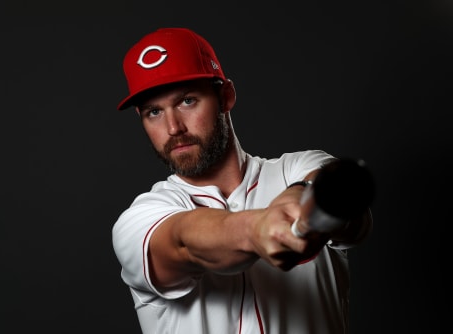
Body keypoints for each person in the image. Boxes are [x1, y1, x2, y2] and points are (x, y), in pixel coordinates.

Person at [112, 27, 373, 334]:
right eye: (154, 112)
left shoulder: (298, 167)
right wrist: (255, 230)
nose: (173, 128)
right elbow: (183, 241)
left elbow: (350, 214)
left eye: (187, 101)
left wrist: (304, 199)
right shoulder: (140, 219)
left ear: (225, 96)